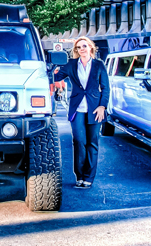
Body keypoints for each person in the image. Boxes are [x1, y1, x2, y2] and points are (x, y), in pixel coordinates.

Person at [53, 37, 110, 189]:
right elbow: (56, 76)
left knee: (92, 143)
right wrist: (55, 68)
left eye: (84, 46)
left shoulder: (99, 65)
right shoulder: (71, 64)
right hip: (77, 108)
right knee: (79, 141)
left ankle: (89, 177)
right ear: (76, 50)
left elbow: (105, 88)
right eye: (78, 47)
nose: (81, 49)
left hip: (95, 109)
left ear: (90, 47)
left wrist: (102, 107)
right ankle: (79, 176)